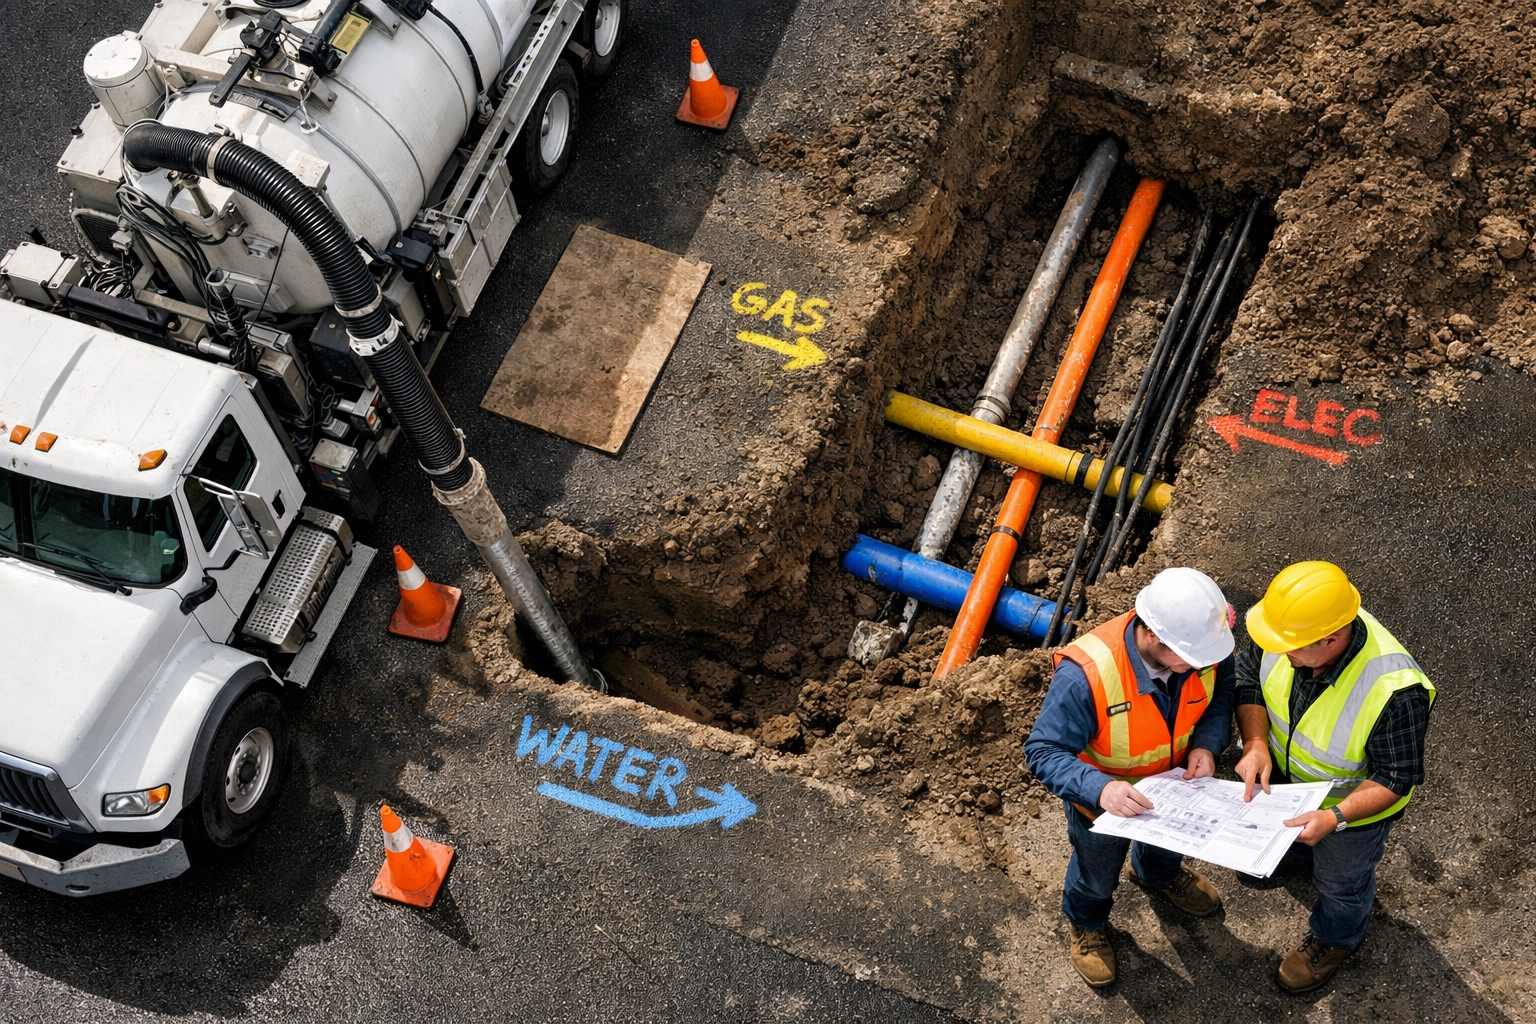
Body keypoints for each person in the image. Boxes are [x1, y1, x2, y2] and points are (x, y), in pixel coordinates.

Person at [1025, 567, 1237, 987]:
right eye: (1190, 660)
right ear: (1154, 637)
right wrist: (1100, 789)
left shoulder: (1203, 646)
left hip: (1174, 793)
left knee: (1165, 850)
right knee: (1096, 873)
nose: (1200, 666)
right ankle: (1086, 923)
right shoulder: (1086, 674)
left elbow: (1220, 695)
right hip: (1102, 807)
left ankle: (1158, 874)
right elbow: (1043, 751)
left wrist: (1206, 745)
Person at [1234, 561, 1434, 993]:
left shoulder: (1396, 689)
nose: (1282, 655)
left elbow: (1396, 777)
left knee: (1341, 884)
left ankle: (1336, 938)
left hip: (1350, 815)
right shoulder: (1288, 628)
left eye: (1293, 649)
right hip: (1287, 785)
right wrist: (1255, 744)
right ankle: (1294, 855)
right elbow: (1248, 676)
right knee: (1296, 843)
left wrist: (1334, 818)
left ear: (1332, 638)